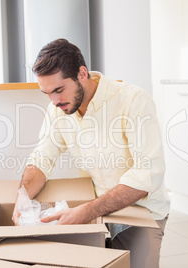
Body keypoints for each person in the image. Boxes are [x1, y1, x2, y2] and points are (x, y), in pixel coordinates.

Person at [12, 38, 170, 268]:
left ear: (82, 74)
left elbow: (147, 175)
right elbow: (42, 157)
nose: (54, 101)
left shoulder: (133, 100)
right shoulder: (58, 110)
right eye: (46, 93)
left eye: (58, 90)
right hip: (95, 208)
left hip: (140, 211)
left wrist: (86, 212)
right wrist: (22, 198)